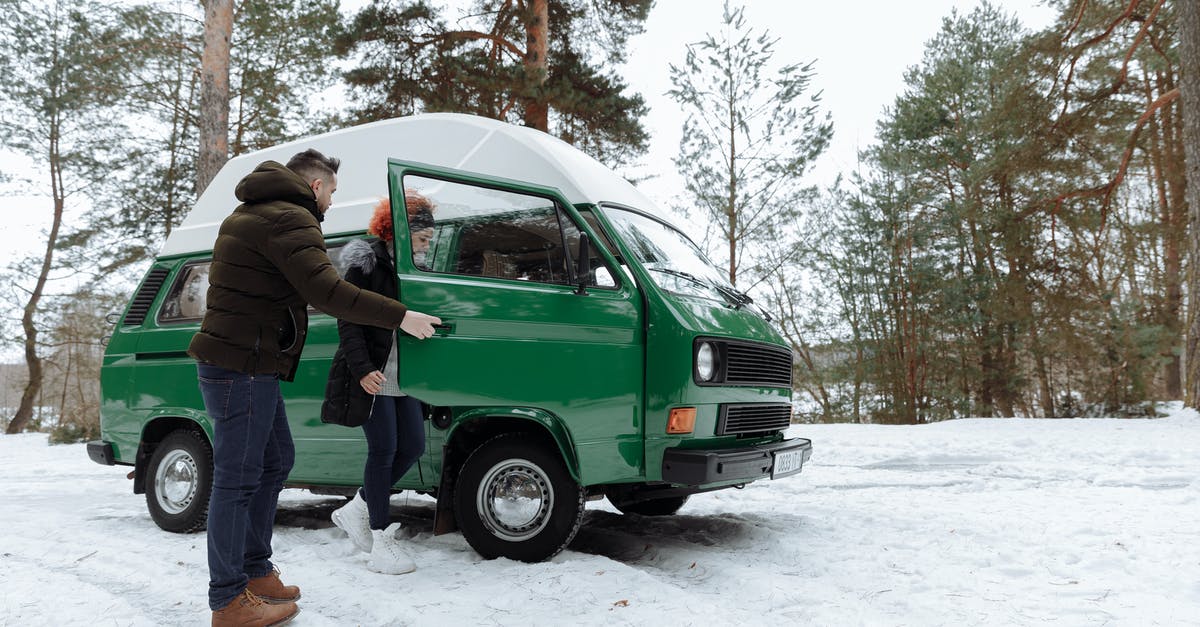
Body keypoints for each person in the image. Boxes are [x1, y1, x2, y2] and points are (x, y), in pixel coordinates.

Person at [188, 149, 441, 627]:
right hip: (242, 367)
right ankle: (228, 599)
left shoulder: (253, 212)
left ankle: (255, 570)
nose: (329, 205)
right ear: (316, 187)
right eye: (331, 194)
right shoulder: (291, 218)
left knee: (275, 460)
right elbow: (327, 291)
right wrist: (400, 315)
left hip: (250, 364)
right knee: (238, 479)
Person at [321, 194, 435, 575]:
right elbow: (347, 319)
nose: (427, 244)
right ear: (400, 231)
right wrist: (361, 369)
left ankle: (358, 507)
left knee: (413, 446)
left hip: (408, 374)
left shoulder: (417, 269)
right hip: (375, 371)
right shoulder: (366, 263)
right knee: (383, 449)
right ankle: (380, 537)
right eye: (422, 238)